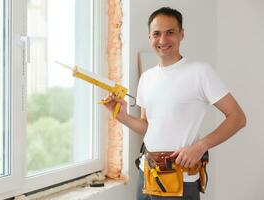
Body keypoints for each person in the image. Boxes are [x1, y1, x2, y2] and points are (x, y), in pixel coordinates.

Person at [103, 6, 246, 200]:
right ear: (149, 37)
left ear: (181, 34)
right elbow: (147, 126)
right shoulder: (147, 77)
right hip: (146, 175)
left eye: (170, 32)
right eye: (156, 34)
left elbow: (237, 118)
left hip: (180, 180)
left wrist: (201, 145)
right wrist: (121, 116)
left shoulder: (200, 72)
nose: (162, 40)